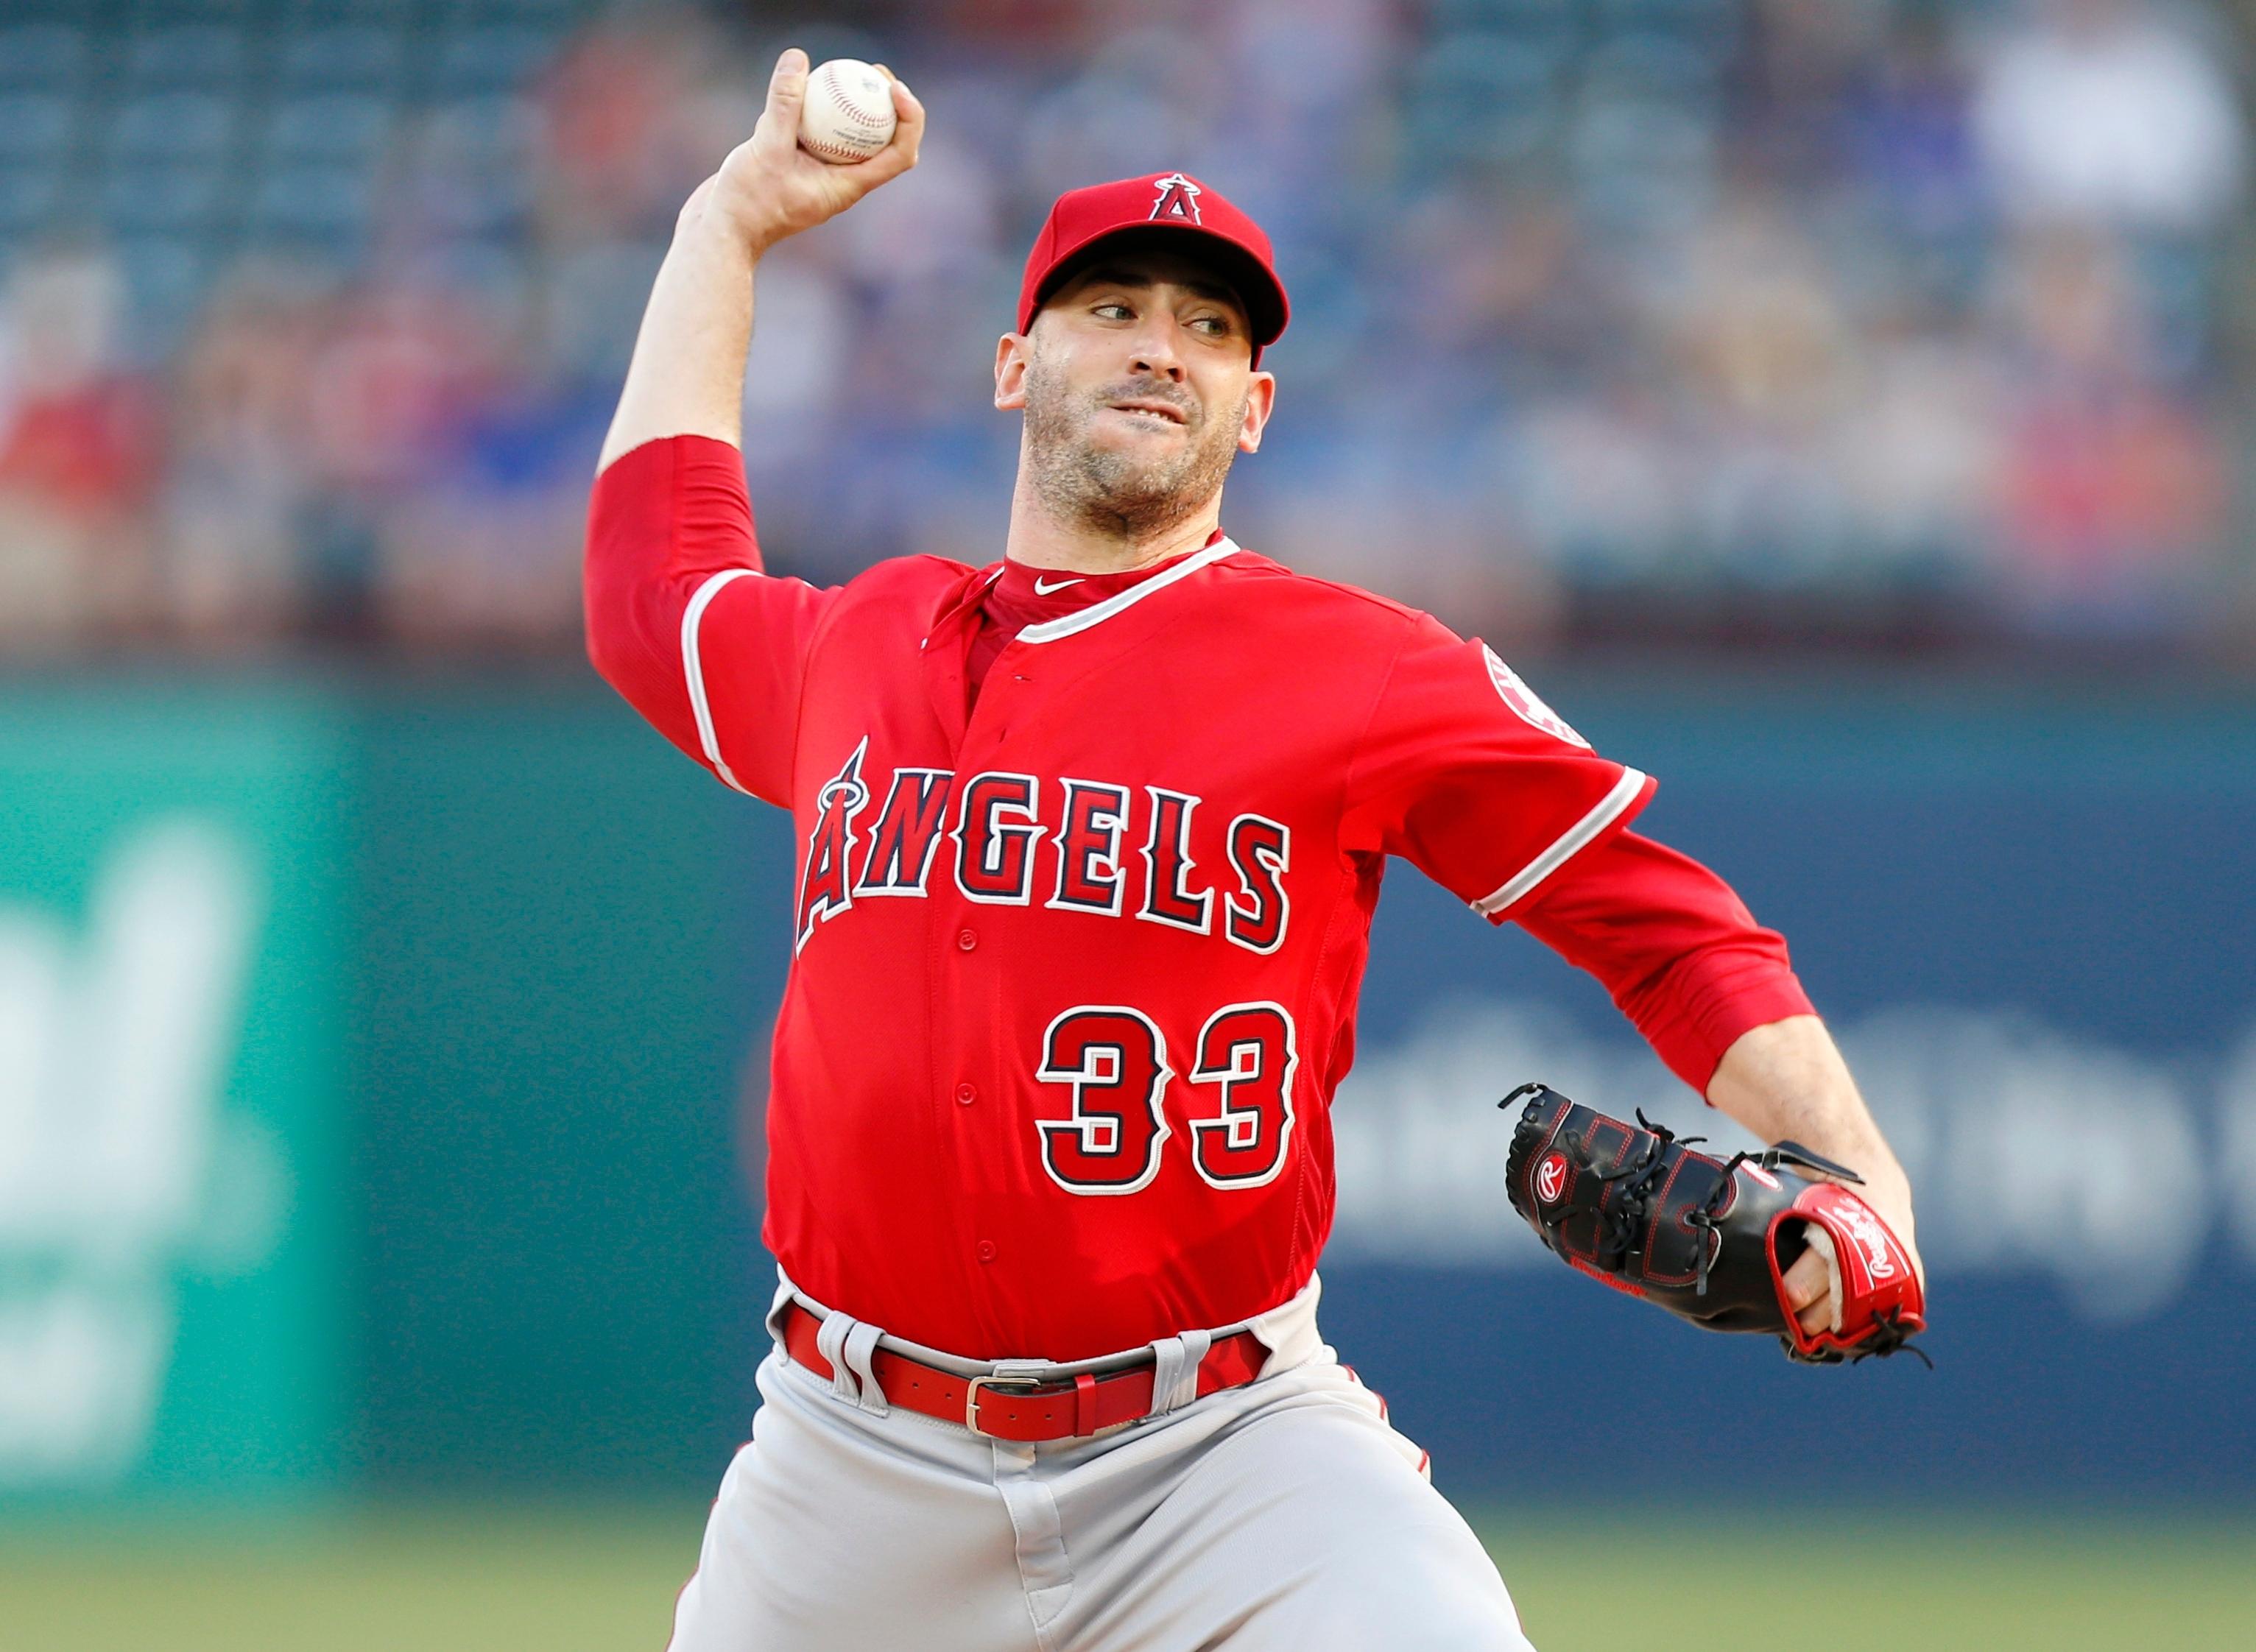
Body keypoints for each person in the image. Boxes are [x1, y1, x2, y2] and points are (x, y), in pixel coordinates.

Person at [585, 50, 1923, 1652]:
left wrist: (1866, 1176)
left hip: (1217, 1455)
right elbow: (648, 596)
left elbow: (1671, 930)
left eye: (1211, 329)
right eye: (1114, 307)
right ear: (1014, 362)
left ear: (1254, 406)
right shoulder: (862, 641)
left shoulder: (1356, 667)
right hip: (846, 1459)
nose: (1163, 348)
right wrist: (725, 227)